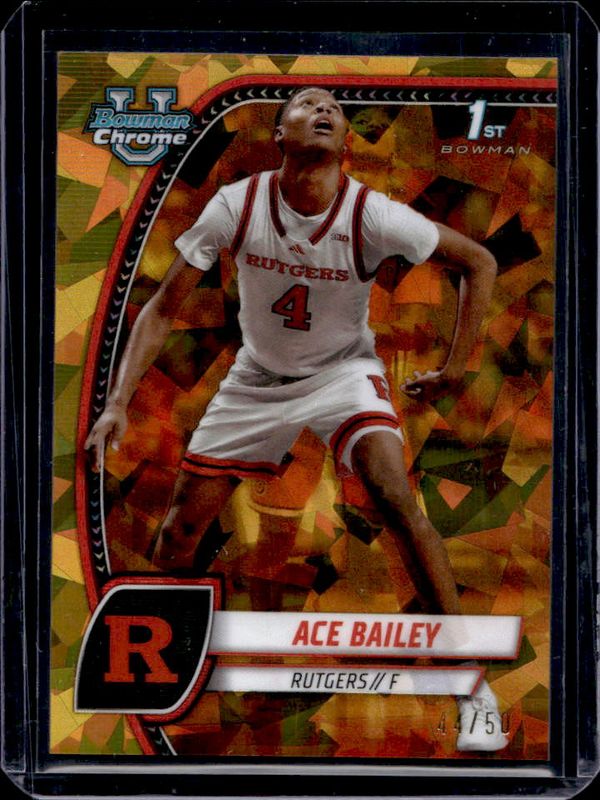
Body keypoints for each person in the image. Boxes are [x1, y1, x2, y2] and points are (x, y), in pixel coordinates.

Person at [85, 86, 506, 752]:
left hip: (343, 375)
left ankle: (470, 685)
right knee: (176, 534)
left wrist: (456, 368)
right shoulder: (238, 203)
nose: (325, 111)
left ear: (345, 139)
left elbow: (479, 262)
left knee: (393, 493)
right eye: (307, 104)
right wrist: (115, 402)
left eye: (335, 108)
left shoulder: (371, 213)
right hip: (256, 380)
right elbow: (163, 308)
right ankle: (160, 683)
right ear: (279, 134)